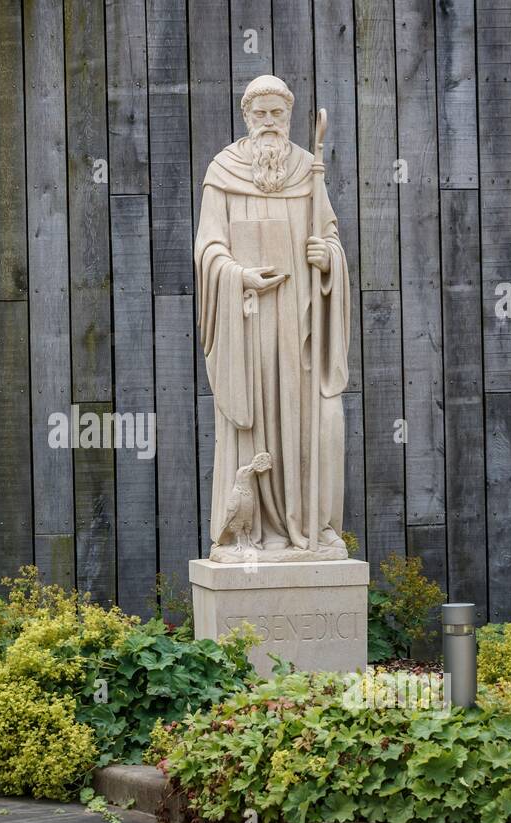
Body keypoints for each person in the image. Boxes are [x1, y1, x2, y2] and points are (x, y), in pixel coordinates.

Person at [194, 74, 352, 563]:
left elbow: (331, 241)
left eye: (277, 113)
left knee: (317, 419)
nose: (268, 122)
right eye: (259, 113)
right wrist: (240, 275)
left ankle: (311, 525)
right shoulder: (223, 171)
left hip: (300, 327)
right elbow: (207, 249)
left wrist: (327, 260)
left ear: (288, 116)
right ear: (246, 116)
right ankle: (253, 531)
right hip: (250, 322)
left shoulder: (310, 170)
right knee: (254, 424)